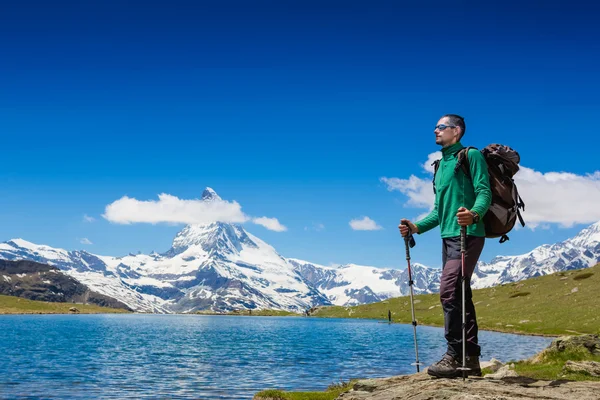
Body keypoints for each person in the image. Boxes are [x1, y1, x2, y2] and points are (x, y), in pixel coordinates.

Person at [399, 114, 491, 378]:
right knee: (462, 295)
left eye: (441, 127)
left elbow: (484, 192)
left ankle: (454, 355)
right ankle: (470, 360)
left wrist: (474, 214)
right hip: (448, 237)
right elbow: (439, 211)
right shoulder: (440, 166)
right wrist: (415, 227)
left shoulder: (470, 155)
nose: (435, 131)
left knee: (449, 291)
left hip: (469, 234)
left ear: (457, 131)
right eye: (435, 127)